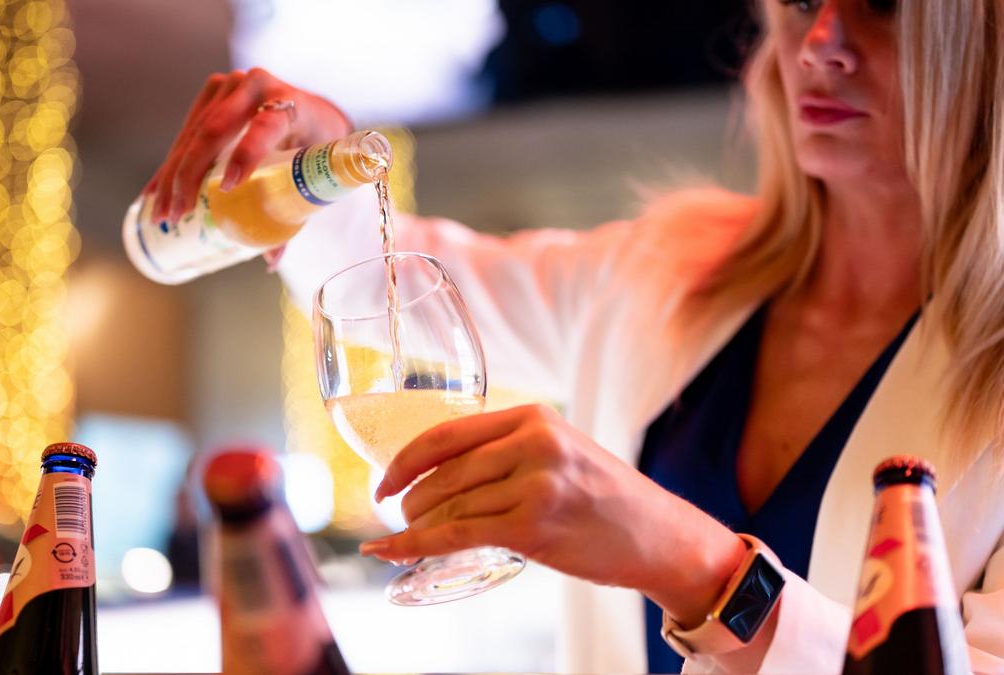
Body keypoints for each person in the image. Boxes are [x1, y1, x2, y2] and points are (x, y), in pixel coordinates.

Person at [144, 0, 1004, 672]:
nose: (819, 43)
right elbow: (395, 281)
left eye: (883, 5)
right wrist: (311, 163)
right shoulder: (660, 270)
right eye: (803, 2)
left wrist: (695, 566)